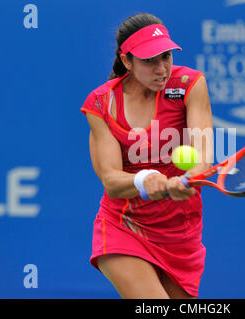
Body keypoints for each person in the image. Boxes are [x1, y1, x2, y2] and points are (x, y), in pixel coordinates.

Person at [80, 13, 213, 299]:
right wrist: (145, 179)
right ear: (126, 61)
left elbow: (203, 156)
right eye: (149, 60)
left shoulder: (191, 84)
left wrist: (188, 179)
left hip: (181, 231)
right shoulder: (101, 104)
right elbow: (111, 179)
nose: (162, 69)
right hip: (124, 224)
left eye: (166, 56)